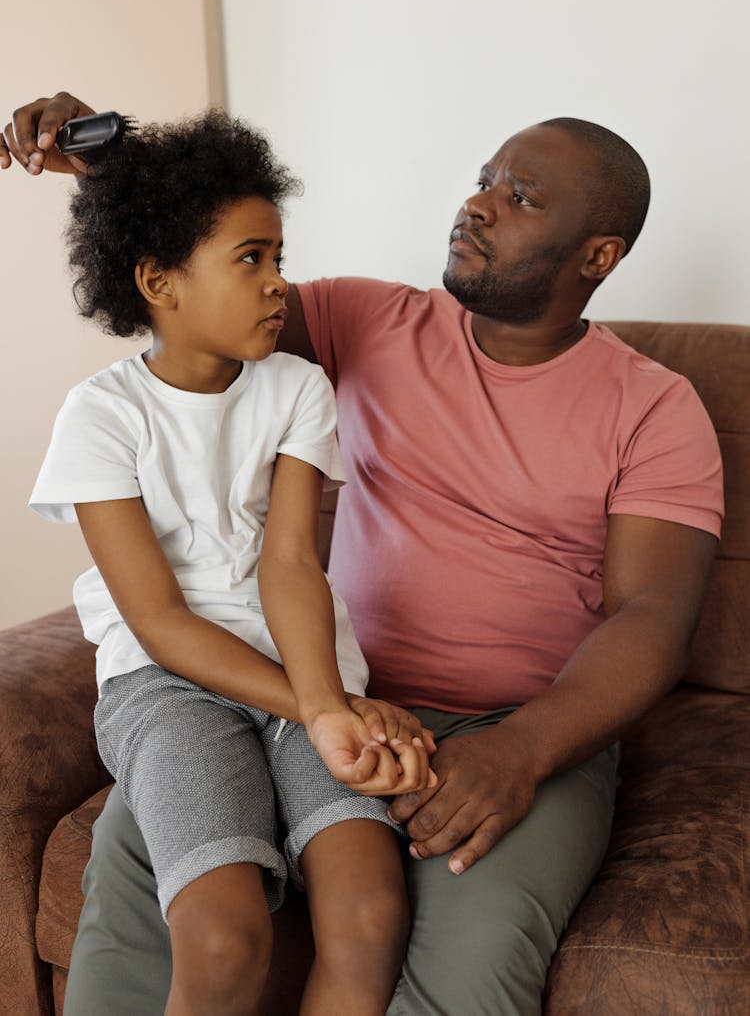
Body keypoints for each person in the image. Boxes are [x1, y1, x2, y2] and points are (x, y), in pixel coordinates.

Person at [2, 97, 723, 1016]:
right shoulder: (371, 321)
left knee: (468, 971)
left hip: (519, 726)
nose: (479, 205)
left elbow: (654, 618)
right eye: (483, 181)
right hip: (326, 690)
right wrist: (112, 162)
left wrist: (524, 750)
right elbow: (202, 292)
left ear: (599, 256)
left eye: (522, 198)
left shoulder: (655, 409)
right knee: (142, 859)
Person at [24, 109, 438, 1016]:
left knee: (369, 913)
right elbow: (161, 622)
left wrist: (322, 700)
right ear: (159, 282)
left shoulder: (297, 388)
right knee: (223, 936)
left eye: (280, 257)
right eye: (251, 259)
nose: (279, 284)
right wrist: (326, 714)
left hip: (305, 666)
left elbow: (290, 563)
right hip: (169, 683)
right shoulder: (100, 417)